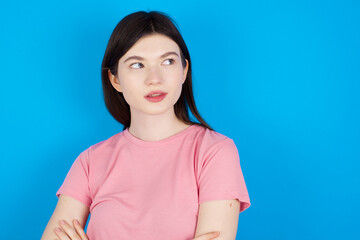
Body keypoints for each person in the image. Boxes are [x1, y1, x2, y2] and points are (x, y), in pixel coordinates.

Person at [41, 10, 251, 240]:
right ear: (115, 79)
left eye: (168, 61)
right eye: (137, 65)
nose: (155, 78)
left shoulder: (214, 152)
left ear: (184, 70)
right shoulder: (89, 162)